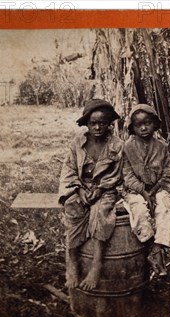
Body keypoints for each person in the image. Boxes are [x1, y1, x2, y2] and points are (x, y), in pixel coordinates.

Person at [58, 99, 124, 291]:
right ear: (86, 123)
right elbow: (69, 169)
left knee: (101, 212)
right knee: (72, 208)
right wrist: (78, 189)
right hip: (79, 186)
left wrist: (101, 189)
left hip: (105, 189)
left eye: (102, 123)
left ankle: (96, 265)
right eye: (93, 123)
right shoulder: (77, 143)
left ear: (110, 123)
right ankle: (72, 263)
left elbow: (117, 173)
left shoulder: (117, 145)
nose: (97, 127)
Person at [122, 104, 170, 276]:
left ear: (155, 124)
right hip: (135, 191)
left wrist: (154, 191)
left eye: (148, 123)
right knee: (138, 210)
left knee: (167, 207)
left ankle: (158, 248)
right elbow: (127, 175)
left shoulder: (161, 146)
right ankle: (148, 244)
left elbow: (168, 170)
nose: (144, 127)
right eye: (139, 125)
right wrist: (143, 192)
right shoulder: (128, 147)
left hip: (157, 188)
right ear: (133, 127)